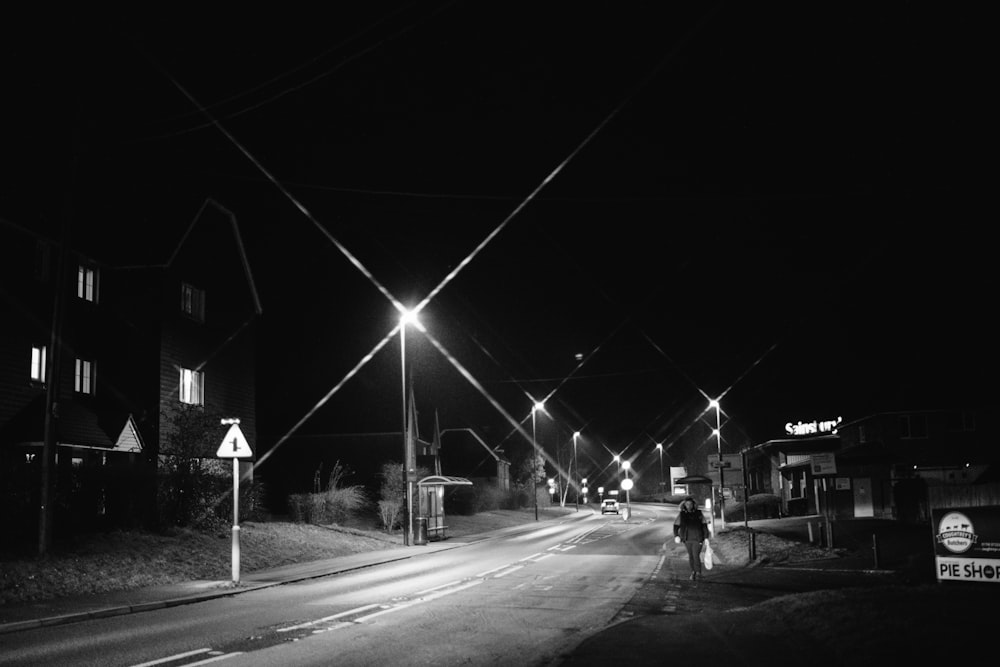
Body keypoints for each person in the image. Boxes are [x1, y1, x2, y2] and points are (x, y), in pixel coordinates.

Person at [673, 496, 710, 580]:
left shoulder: (699, 513)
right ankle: (693, 571)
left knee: (695, 555)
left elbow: (704, 525)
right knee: (691, 556)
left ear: (694, 505)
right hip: (686, 539)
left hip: (698, 538)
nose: (689, 506)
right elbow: (676, 525)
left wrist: (706, 537)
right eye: (687, 504)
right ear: (684, 505)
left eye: (690, 504)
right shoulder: (682, 514)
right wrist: (676, 536)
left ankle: (698, 573)